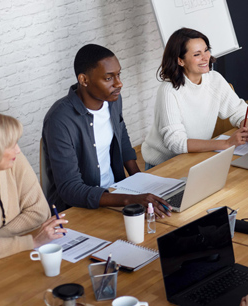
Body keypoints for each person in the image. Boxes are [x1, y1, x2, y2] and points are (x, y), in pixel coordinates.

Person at [42, 44, 171, 216]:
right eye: (109, 78)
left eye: (118, 74)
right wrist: (129, 200)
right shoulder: (60, 120)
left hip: (115, 192)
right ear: (84, 80)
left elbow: (122, 136)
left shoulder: (113, 100)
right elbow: (70, 189)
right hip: (79, 209)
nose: (119, 83)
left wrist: (141, 182)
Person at [0, 111, 67, 263]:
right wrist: (31, 242)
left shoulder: (14, 160)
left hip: (7, 258)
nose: (18, 150)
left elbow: (39, 212)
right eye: (11, 145)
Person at [141, 28, 248, 168]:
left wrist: (247, 129)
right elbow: (176, 142)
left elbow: (240, 110)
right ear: (180, 61)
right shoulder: (169, 91)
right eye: (197, 54)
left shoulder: (214, 79)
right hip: (165, 165)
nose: (206, 57)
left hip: (196, 157)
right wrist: (226, 143)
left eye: (206, 50)